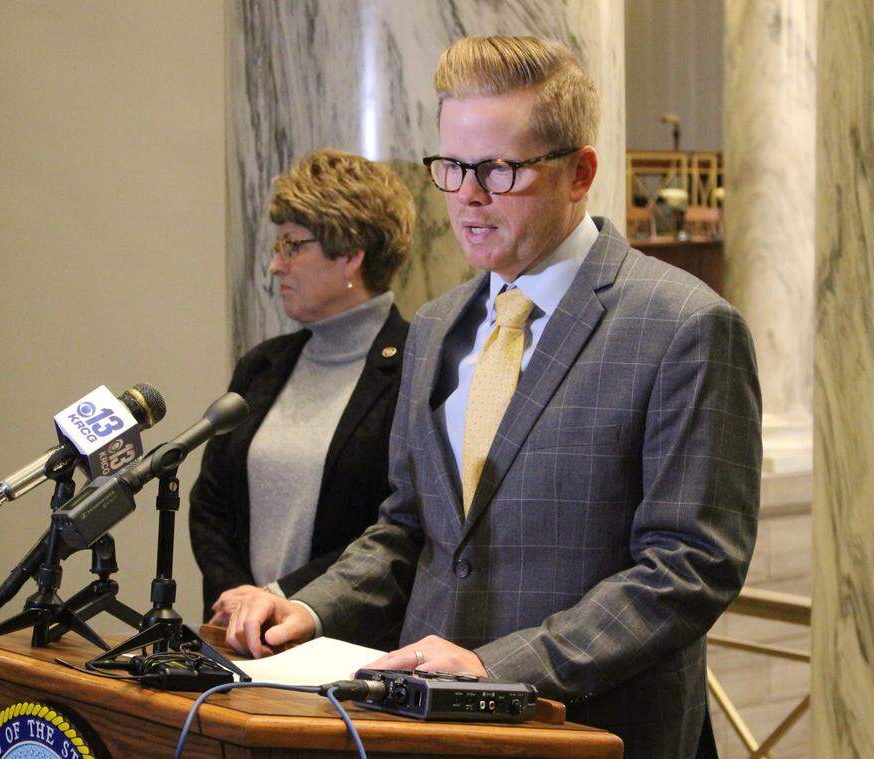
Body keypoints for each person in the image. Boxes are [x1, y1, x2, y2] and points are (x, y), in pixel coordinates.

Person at [223, 37, 761, 758]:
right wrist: (306, 604)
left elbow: (692, 564)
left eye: (499, 170)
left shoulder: (684, 326)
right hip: (425, 733)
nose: (468, 197)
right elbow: (408, 527)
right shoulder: (438, 324)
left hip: (592, 732)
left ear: (581, 173)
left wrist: (496, 670)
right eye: (451, 167)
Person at [189, 148, 414, 644]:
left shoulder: (416, 368)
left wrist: (281, 596)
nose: (274, 265)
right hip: (243, 639)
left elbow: (399, 527)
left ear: (350, 252)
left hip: (349, 645)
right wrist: (241, 598)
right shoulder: (263, 365)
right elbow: (210, 503)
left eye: (292, 246)